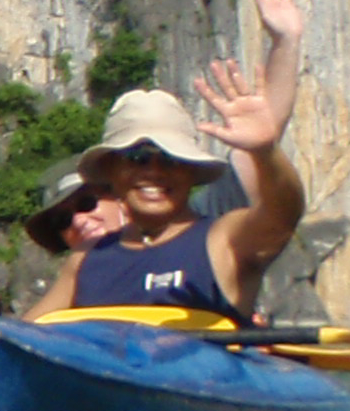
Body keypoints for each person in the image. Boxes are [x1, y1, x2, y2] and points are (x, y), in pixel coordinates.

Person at [26, 52, 305, 322]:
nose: (154, 172)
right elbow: (21, 335)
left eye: (171, 159)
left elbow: (281, 216)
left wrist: (265, 152)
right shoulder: (86, 259)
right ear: (111, 170)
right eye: (137, 158)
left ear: (192, 169)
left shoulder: (224, 240)